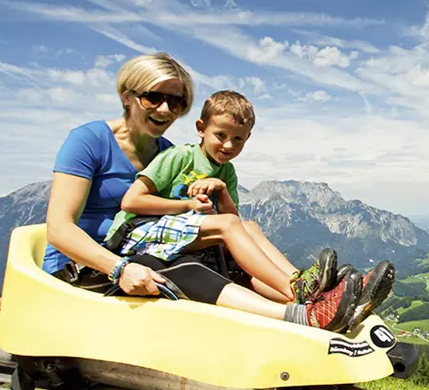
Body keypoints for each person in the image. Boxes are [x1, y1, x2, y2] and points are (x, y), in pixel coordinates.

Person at [42, 52, 376, 330]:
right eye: (153, 97)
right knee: (193, 266)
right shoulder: (90, 141)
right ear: (127, 97)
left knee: (234, 250)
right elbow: (59, 228)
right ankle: (304, 309)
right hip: (88, 265)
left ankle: (314, 298)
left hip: (147, 251)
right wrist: (119, 268)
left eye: (176, 101)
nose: (165, 109)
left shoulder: (167, 151)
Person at [106, 90, 393, 331]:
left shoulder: (226, 171)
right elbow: (131, 202)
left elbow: (234, 220)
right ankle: (299, 291)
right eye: (220, 135)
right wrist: (187, 205)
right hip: (138, 233)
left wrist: (221, 189)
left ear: (248, 138)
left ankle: (308, 287)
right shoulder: (180, 156)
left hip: (177, 235)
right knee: (230, 227)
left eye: (238, 139)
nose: (228, 145)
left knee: (250, 227)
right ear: (201, 128)